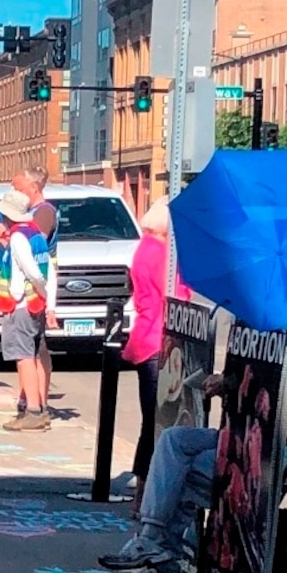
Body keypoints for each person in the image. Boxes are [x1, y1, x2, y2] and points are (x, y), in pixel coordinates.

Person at [105, 322, 287, 573]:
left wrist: (233, 387)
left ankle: (161, 565)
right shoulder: (257, 331)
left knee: (180, 471)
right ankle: (151, 539)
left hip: (281, 447)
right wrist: (226, 383)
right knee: (174, 440)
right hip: (241, 433)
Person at [0, 189, 53, 429]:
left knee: (23, 358)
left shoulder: (18, 238)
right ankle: (40, 409)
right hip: (35, 305)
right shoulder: (36, 235)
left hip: (21, 306)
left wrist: (34, 291)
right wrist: (47, 300)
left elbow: (32, 272)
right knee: (35, 355)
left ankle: (33, 412)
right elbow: (48, 269)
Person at [122, 196, 171, 492]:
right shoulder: (161, 253)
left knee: (150, 419)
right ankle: (147, 491)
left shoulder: (145, 248)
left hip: (145, 336)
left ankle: (143, 490)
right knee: (157, 421)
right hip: (157, 339)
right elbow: (175, 296)